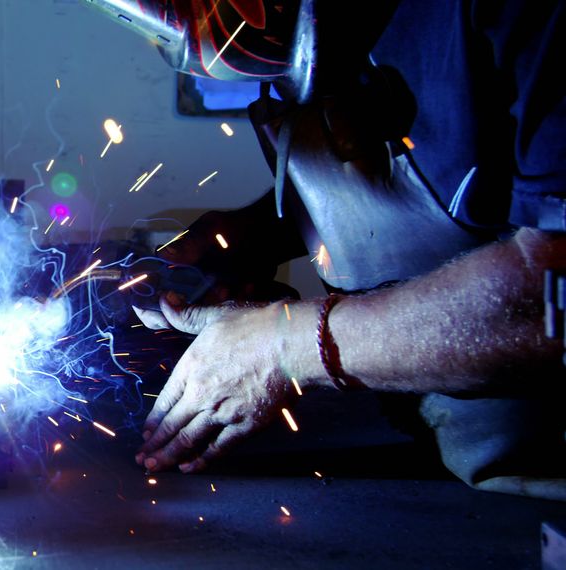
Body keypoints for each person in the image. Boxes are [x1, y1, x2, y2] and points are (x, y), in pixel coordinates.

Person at [93, 0, 566, 498]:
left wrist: (282, 346)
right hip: (438, 457)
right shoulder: (298, 34)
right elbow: (459, 188)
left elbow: (551, 298)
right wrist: (244, 239)